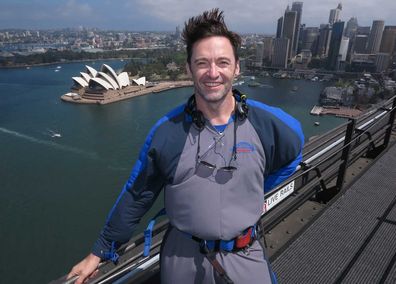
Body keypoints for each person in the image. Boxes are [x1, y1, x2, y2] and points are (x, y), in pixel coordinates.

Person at [67, 8, 304, 284]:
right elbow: (138, 193)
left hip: (245, 251)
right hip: (183, 257)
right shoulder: (169, 131)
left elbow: (293, 154)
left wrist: (255, 191)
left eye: (223, 63)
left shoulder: (268, 123)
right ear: (188, 68)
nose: (213, 73)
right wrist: (99, 251)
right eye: (202, 63)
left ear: (237, 67)